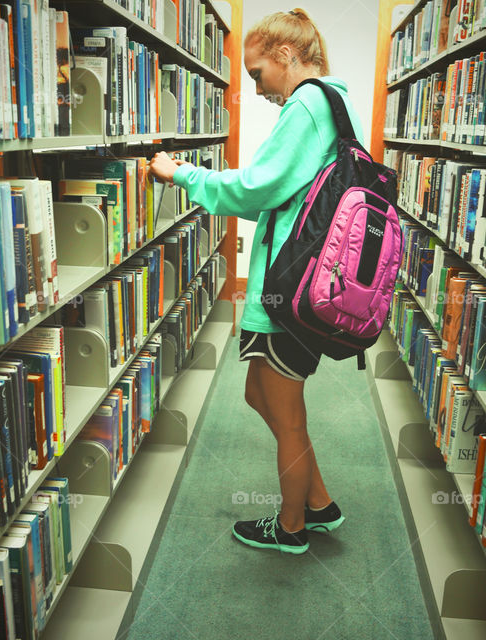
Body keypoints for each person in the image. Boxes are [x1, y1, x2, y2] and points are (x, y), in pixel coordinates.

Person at [148, 8, 363, 555]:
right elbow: (285, 194)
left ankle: (291, 528)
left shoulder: (307, 105)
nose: (258, 87)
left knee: (287, 417)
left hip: (290, 289)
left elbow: (257, 187)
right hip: (303, 282)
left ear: (285, 55)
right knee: (257, 393)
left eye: (257, 73)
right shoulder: (335, 103)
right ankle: (320, 503)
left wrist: (183, 174)